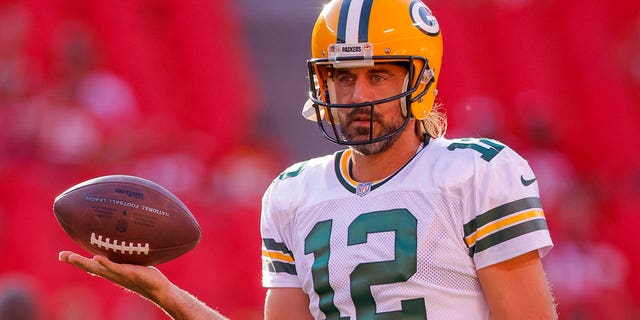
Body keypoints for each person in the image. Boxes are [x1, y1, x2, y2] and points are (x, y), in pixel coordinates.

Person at [59, 0, 557, 319]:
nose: (358, 94)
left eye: (378, 76)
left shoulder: (475, 173)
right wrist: (168, 295)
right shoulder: (293, 193)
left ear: (419, 81)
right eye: (343, 76)